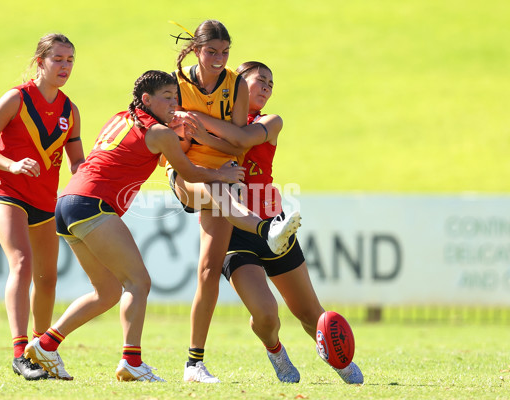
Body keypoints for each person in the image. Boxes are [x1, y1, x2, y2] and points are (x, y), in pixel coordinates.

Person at [21, 69, 261, 382]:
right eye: (167, 98)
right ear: (146, 99)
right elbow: (187, 171)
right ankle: (131, 361)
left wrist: (173, 127)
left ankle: (46, 345)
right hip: (93, 204)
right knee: (139, 282)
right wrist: (222, 176)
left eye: (176, 96)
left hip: (68, 203)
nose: (174, 103)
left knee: (107, 292)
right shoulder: (160, 133)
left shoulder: (122, 116)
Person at [194, 61, 365, 384]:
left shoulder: (270, 121)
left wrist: (199, 125)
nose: (268, 86)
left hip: (274, 227)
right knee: (266, 314)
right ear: (238, 85)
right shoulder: (218, 120)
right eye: (261, 80)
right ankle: (276, 352)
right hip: (234, 234)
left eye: (271, 82)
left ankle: (339, 361)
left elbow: (241, 141)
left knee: (310, 313)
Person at [167, 20, 301, 383]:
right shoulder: (175, 84)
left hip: (225, 173)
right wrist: (197, 144)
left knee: (209, 270)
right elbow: (173, 145)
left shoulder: (235, 84)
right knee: (217, 191)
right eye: (211, 51)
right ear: (197, 49)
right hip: (186, 171)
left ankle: (193, 364)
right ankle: (265, 228)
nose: (218, 59)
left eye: (224, 53)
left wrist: (200, 125)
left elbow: (241, 143)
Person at [0, 33, 85, 380]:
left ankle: (41, 350)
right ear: (41, 62)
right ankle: (20, 353)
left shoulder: (70, 110)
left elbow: (77, 161)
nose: (65, 66)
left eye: (69, 60)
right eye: (58, 59)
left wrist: (93, 179)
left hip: (45, 202)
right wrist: (11, 165)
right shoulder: (15, 99)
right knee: (22, 263)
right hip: (6, 192)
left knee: (48, 278)